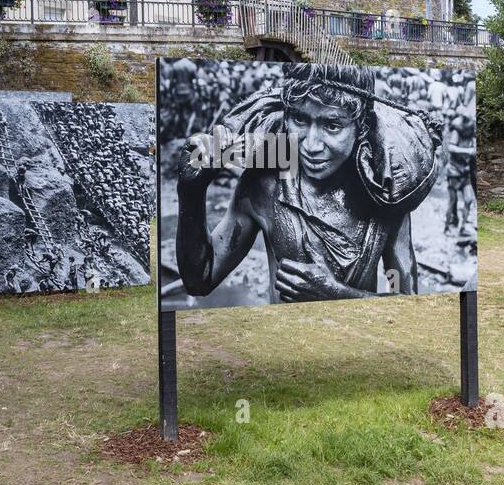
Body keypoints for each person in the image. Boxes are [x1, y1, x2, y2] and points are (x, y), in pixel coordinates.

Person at [176, 63, 440, 304]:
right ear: (285, 116)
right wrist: (191, 193)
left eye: (332, 125)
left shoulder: (384, 194)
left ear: (360, 126)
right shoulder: (265, 186)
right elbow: (201, 279)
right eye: (300, 119)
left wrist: (337, 293)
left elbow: (403, 295)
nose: (311, 145)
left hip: (360, 341)